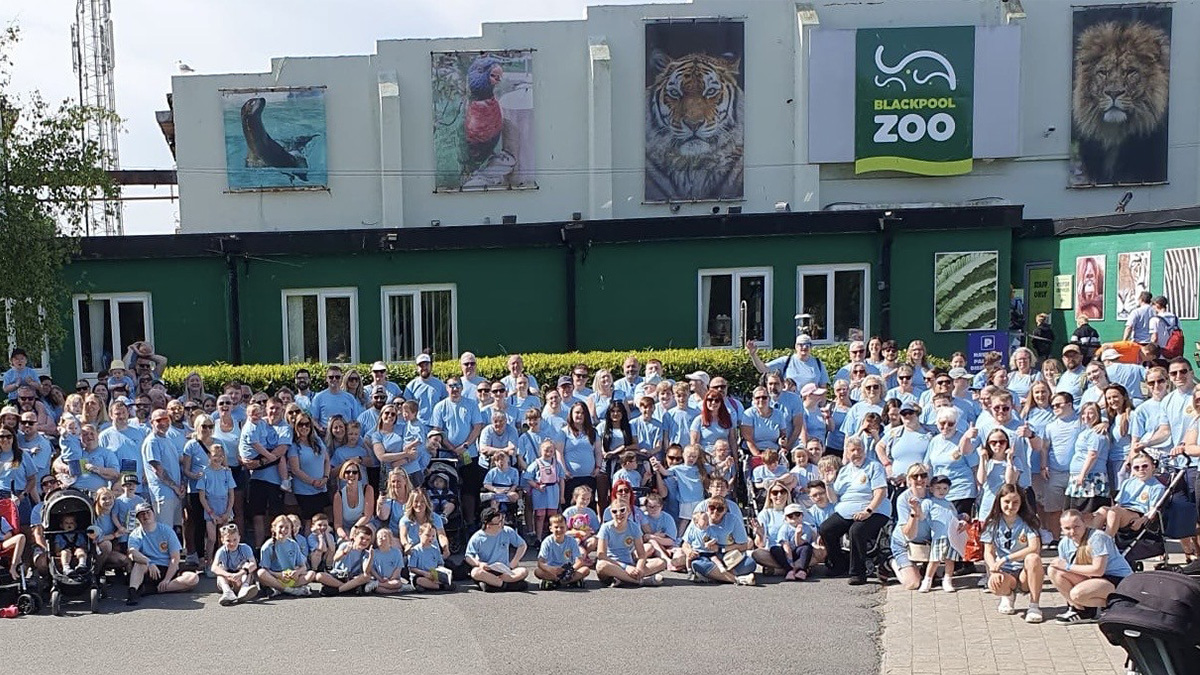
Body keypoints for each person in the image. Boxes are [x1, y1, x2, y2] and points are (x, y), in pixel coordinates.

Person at [819, 436, 890, 585]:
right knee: (826, 529)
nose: (856, 453)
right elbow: (833, 499)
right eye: (852, 450)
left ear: (864, 451)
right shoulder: (844, 471)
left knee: (856, 530)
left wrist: (868, 511)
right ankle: (839, 564)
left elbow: (880, 492)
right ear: (847, 452)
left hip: (874, 510)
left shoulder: (874, 467)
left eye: (859, 450)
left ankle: (858, 573)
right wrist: (829, 484)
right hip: (847, 510)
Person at [1048, 509, 1134, 624]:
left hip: (1116, 579)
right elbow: (1065, 569)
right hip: (1093, 579)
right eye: (1067, 528)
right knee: (1053, 570)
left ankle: (1119, 605)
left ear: (1084, 523)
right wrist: (1063, 567)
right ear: (1061, 528)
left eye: (1076, 526)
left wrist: (1067, 567)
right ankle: (1081, 610)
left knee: (1077, 594)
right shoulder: (1064, 543)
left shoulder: (1097, 538)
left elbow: (1098, 570)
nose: (1072, 531)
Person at [981, 483, 1044, 622]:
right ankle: (1008, 596)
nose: (1011, 506)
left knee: (1033, 558)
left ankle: (1034, 605)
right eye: (1007, 502)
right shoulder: (992, 523)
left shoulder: (1028, 521)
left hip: (1024, 572)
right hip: (1005, 572)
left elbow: (1034, 547)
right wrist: (993, 569)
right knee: (994, 583)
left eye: (1015, 502)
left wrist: (1006, 559)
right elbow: (988, 552)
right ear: (999, 502)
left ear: (1022, 503)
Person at [125, 502, 200, 605]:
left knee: (193, 578)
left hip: (168, 568)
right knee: (139, 564)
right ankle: (132, 592)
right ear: (138, 518)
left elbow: (175, 558)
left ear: (153, 513)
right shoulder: (135, 535)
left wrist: (167, 579)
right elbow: (132, 553)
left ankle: (152, 589)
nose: (146, 516)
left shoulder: (167, 531)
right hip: (150, 569)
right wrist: (149, 562)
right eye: (142, 514)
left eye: (148, 512)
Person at [596, 498, 665, 587]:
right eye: (614, 511)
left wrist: (639, 568)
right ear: (611, 513)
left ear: (628, 511)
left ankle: (624, 579)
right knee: (601, 566)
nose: (619, 514)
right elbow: (601, 555)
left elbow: (641, 555)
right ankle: (639, 581)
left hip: (630, 564)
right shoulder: (606, 528)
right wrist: (625, 567)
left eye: (622, 510)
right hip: (612, 565)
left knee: (661, 562)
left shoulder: (634, 527)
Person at [1095, 451, 1164, 537]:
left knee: (1114, 512)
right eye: (1136, 467)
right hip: (1123, 510)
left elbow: (1153, 511)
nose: (1141, 469)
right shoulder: (1127, 483)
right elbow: (1119, 504)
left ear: (1153, 467)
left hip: (1139, 513)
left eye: (1145, 466)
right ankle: (1093, 540)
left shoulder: (1157, 487)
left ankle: (1107, 541)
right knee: (1103, 510)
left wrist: (1142, 520)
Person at [465, 506, 529, 592]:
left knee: (523, 571)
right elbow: (468, 556)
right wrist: (479, 564)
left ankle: (494, 584)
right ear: (488, 525)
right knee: (475, 572)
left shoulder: (507, 531)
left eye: (502, 520)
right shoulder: (477, 537)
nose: (502, 524)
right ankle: (507, 585)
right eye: (498, 522)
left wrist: (514, 562)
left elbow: (522, 545)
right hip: (487, 570)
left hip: (504, 570)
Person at [918, 475, 961, 593]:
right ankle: (927, 580)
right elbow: (922, 517)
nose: (941, 491)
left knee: (950, 560)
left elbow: (955, 517)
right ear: (931, 489)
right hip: (938, 537)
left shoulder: (950, 503)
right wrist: (916, 508)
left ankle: (947, 580)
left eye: (945, 488)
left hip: (952, 537)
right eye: (938, 488)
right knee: (934, 560)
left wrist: (962, 518)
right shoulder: (928, 502)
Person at [256, 514, 314, 597]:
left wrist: (296, 572)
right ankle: (290, 590)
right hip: (276, 577)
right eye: (280, 527)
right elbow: (265, 569)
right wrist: (279, 574)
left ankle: (279, 590)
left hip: (291, 577)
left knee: (311, 574)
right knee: (261, 573)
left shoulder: (294, 544)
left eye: (287, 527)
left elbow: (303, 566)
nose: (283, 530)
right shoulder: (267, 546)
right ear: (274, 528)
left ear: (291, 530)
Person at [747, 334, 830, 390]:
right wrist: (753, 355)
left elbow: (823, 388)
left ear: (811, 347)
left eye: (807, 345)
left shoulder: (818, 363)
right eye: (800, 345)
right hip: (791, 406)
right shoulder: (786, 361)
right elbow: (763, 369)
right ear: (796, 346)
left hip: (811, 406)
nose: (804, 347)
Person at [315, 524, 376, 596]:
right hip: (338, 575)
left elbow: (366, 571)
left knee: (366, 577)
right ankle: (349, 588)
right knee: (319, 576)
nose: (364, 541)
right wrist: (344, 552)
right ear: (355, 537)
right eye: (362, 538)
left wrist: (371, 557)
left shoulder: (366, 553)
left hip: (352, 578)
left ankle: (337, 590)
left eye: (368, 540)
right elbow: (335, 559)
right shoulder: (345, 545)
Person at [534, 513, 590, 589]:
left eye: (562, 527)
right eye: (556, 527)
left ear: (566, 528)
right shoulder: (547, 541)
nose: (559, 530)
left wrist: (571, 570)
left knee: (585, 570)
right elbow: (540, 562)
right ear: (551, 528)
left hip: (568, 569)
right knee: (537, 572)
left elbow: (579, 561)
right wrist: (550, 569)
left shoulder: (572, 541)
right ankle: (567, 581)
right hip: (553, 570)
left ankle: (556, 582)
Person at [210, 523, 260, 606]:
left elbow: (254, 564)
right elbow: (213, 567)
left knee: (248, 564)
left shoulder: (245, 548)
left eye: (235, 540)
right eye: (228, 541)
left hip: (242, 577)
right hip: (229, 580)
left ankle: (244, 589)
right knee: (220, 568)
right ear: (222, 540)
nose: (232, 543)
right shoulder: (221, 551)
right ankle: (228, 592)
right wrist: (228, 575)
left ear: (239, 538)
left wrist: (240, 573)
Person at [333, 460, 375, 541]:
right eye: (348, 472)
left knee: (365, 535)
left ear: (358, 474)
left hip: (365, 524)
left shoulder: (367, 489)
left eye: (354, 472)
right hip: (346, 528)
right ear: (343, 475)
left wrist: (355, 528)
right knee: (344, 544)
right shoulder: (338, 495)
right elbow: (338, 524)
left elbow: (367, 516)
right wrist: (344, 536)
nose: (351, 474)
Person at [407, 522, 452, 592]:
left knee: (448, 576)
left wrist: (440, 571)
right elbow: (412, 568)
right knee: (419, 580)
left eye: (433, 536)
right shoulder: (415, 550)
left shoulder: (435, 549)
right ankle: (441, 587)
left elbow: (440, 563)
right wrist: (425, 573)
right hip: (420, 575)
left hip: (433, 574)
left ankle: (428, 586)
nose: (430, 538)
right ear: (420, 534)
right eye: (427, 535)